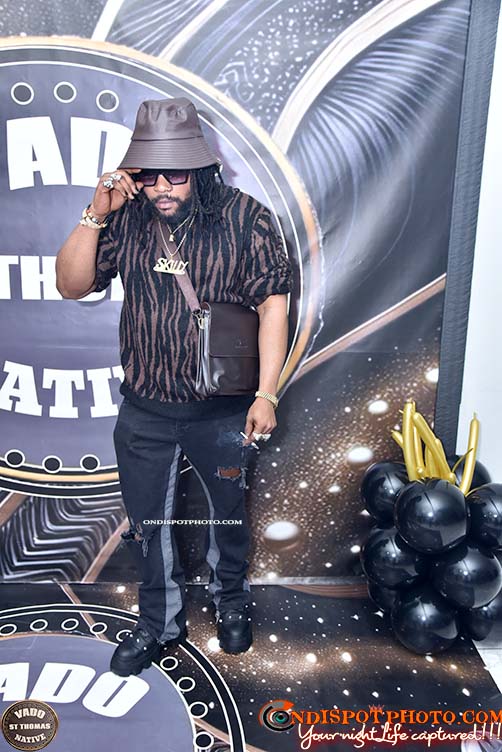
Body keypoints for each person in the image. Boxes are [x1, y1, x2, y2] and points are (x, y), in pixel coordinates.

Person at [56, 97, 293, 677]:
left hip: (223, 410)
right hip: (145, 409)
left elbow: (273, 305)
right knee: (148, 526)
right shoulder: (127, 217)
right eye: (149, 175)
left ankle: (231, 600)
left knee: (227, 515)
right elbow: (71, 284)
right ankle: (158, 622)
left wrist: (266, 393)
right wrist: (95, 211)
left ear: (202, 168)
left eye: (176, 175)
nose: (162, 187)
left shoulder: (247, 218)